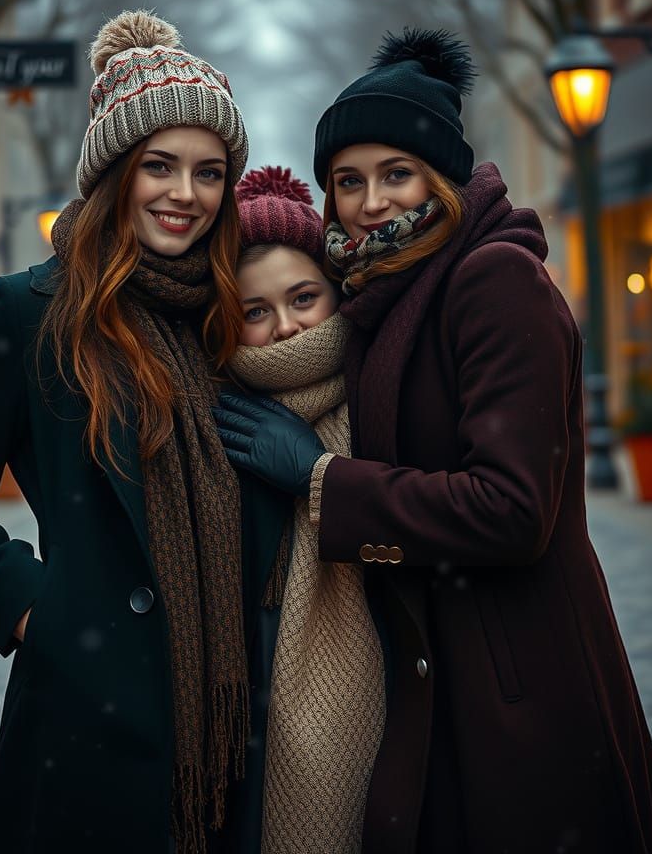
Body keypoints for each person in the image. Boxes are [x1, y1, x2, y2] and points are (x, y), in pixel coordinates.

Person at [213, 27, 652, 853]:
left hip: (517, 678)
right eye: (348, 182)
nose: (372, 201)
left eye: (396, 174)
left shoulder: (493, 281)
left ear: (442, 176)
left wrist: (323, 481)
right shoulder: (387, 290)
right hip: (441, 675)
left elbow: (512, 509)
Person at [0, 8, 280, 854]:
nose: (186, 194)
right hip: (86, 720)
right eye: (161, 166)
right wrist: (38, 611)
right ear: (116, 172)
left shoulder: (225, 319)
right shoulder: (32, 314)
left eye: (210, 173)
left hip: (229, 729)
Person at [227, 165, 385, 853]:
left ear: (335, 292)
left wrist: (318, 477)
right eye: (255, 312)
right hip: (241, 718)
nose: (286, 328)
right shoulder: (212, 418)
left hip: (392, 700)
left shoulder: (385, 392)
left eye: (302, 298)